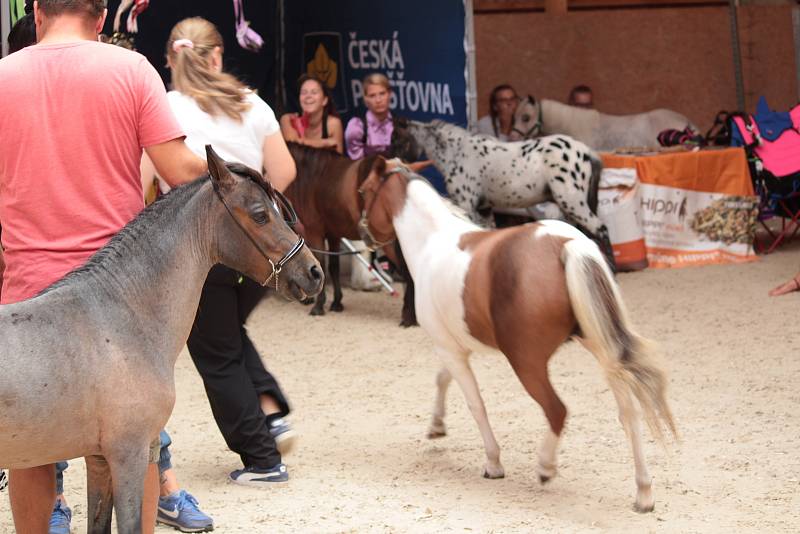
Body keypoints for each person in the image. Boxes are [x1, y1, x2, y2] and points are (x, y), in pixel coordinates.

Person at [0, 1, 208, 533]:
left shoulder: (3, 77)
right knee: (133, 441)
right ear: (99, 19)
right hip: (120, 298)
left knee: (28, 450)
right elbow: (181, 171)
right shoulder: (132, 70)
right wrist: (237, 175)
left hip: (29, 285)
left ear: (39, 13)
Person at [154, 16, 297, 488]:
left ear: (172, 61)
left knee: (215, 353)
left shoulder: (164, 108)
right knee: (227, 336)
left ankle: (262, 459)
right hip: (260, 254)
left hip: (203, 254)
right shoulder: (252, 102)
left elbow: (149, 185)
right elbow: (284, 171)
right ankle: (271, 408)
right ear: (217, 56)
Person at [280, 74, 344, 154]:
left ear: (324, 100)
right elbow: (294, 145)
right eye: (304, 92)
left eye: (314, 92)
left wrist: (303, 142)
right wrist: (326, 143)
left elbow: (339, 156)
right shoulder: (288, 119)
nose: (308, 96)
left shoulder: (333, 123)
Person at [344, 73, 396, 159]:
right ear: (366, 99)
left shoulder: (400, 125)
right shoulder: (356, 128)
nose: (378, 100)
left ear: (389, 94)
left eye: (382, 94)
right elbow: (357, 164)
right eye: (372, 96)